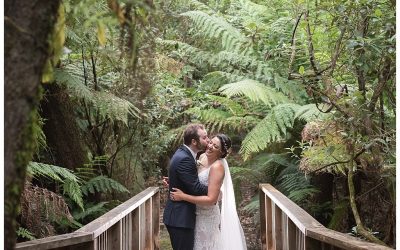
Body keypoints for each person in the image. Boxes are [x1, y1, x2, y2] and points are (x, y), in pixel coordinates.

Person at [170, 134, 247, 250]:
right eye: (210, 142)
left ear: (221, 152)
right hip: (194, 213)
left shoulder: (217, 167)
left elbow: (211, 200)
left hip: (207, 216)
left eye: (215, 146)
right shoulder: (201, 158)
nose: (210, 146)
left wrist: (183, 196)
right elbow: (192, 182)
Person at [163, 123, 210, 250]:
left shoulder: (183, 153)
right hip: (180, 219)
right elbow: (195, 188)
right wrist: (215, 191)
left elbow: (184, 179)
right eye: (204, 138)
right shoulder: (185, 158)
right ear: (194, 141)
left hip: (179, 217)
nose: (208, 140)